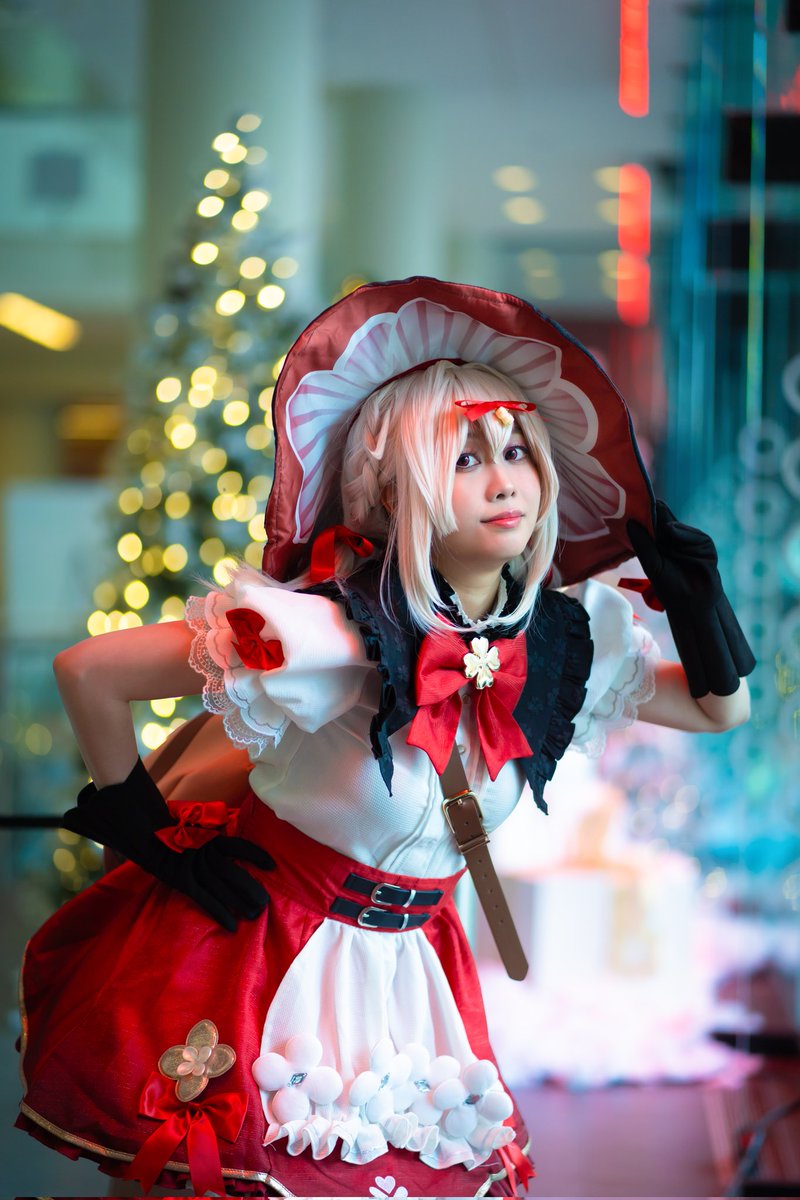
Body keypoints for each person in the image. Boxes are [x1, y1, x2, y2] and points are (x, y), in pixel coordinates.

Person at [16, 277, 754, 1198]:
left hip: (414, 969)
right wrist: (140, 826)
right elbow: (92, 669)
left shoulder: (570, 641)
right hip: (263, 956)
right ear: (396, 488)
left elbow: (719, 711)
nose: (505, 481)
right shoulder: (322, 634)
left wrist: (701, 604)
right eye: (464, 459)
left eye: (517, 451)